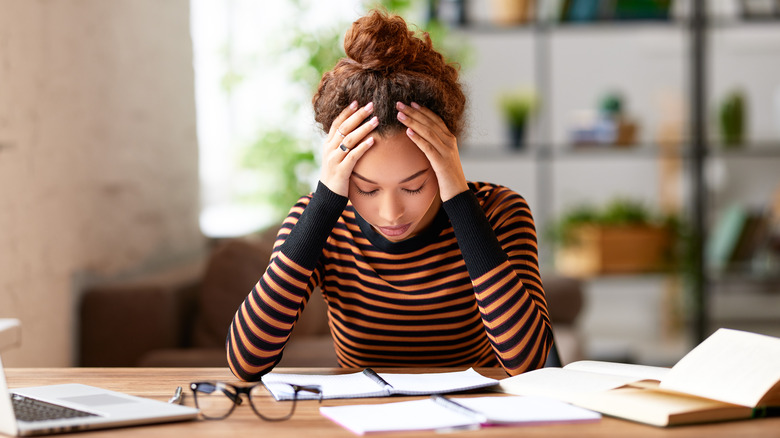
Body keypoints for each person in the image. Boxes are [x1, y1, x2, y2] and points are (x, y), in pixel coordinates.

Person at [227, 9, 552, 381]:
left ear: (447, 158)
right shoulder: (318, 221)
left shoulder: (499, 212)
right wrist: (324, 203)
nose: (391, 213)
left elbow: (529, 364)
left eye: (413, 185)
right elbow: (246, 362)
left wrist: (459, 199)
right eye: (367, 188)